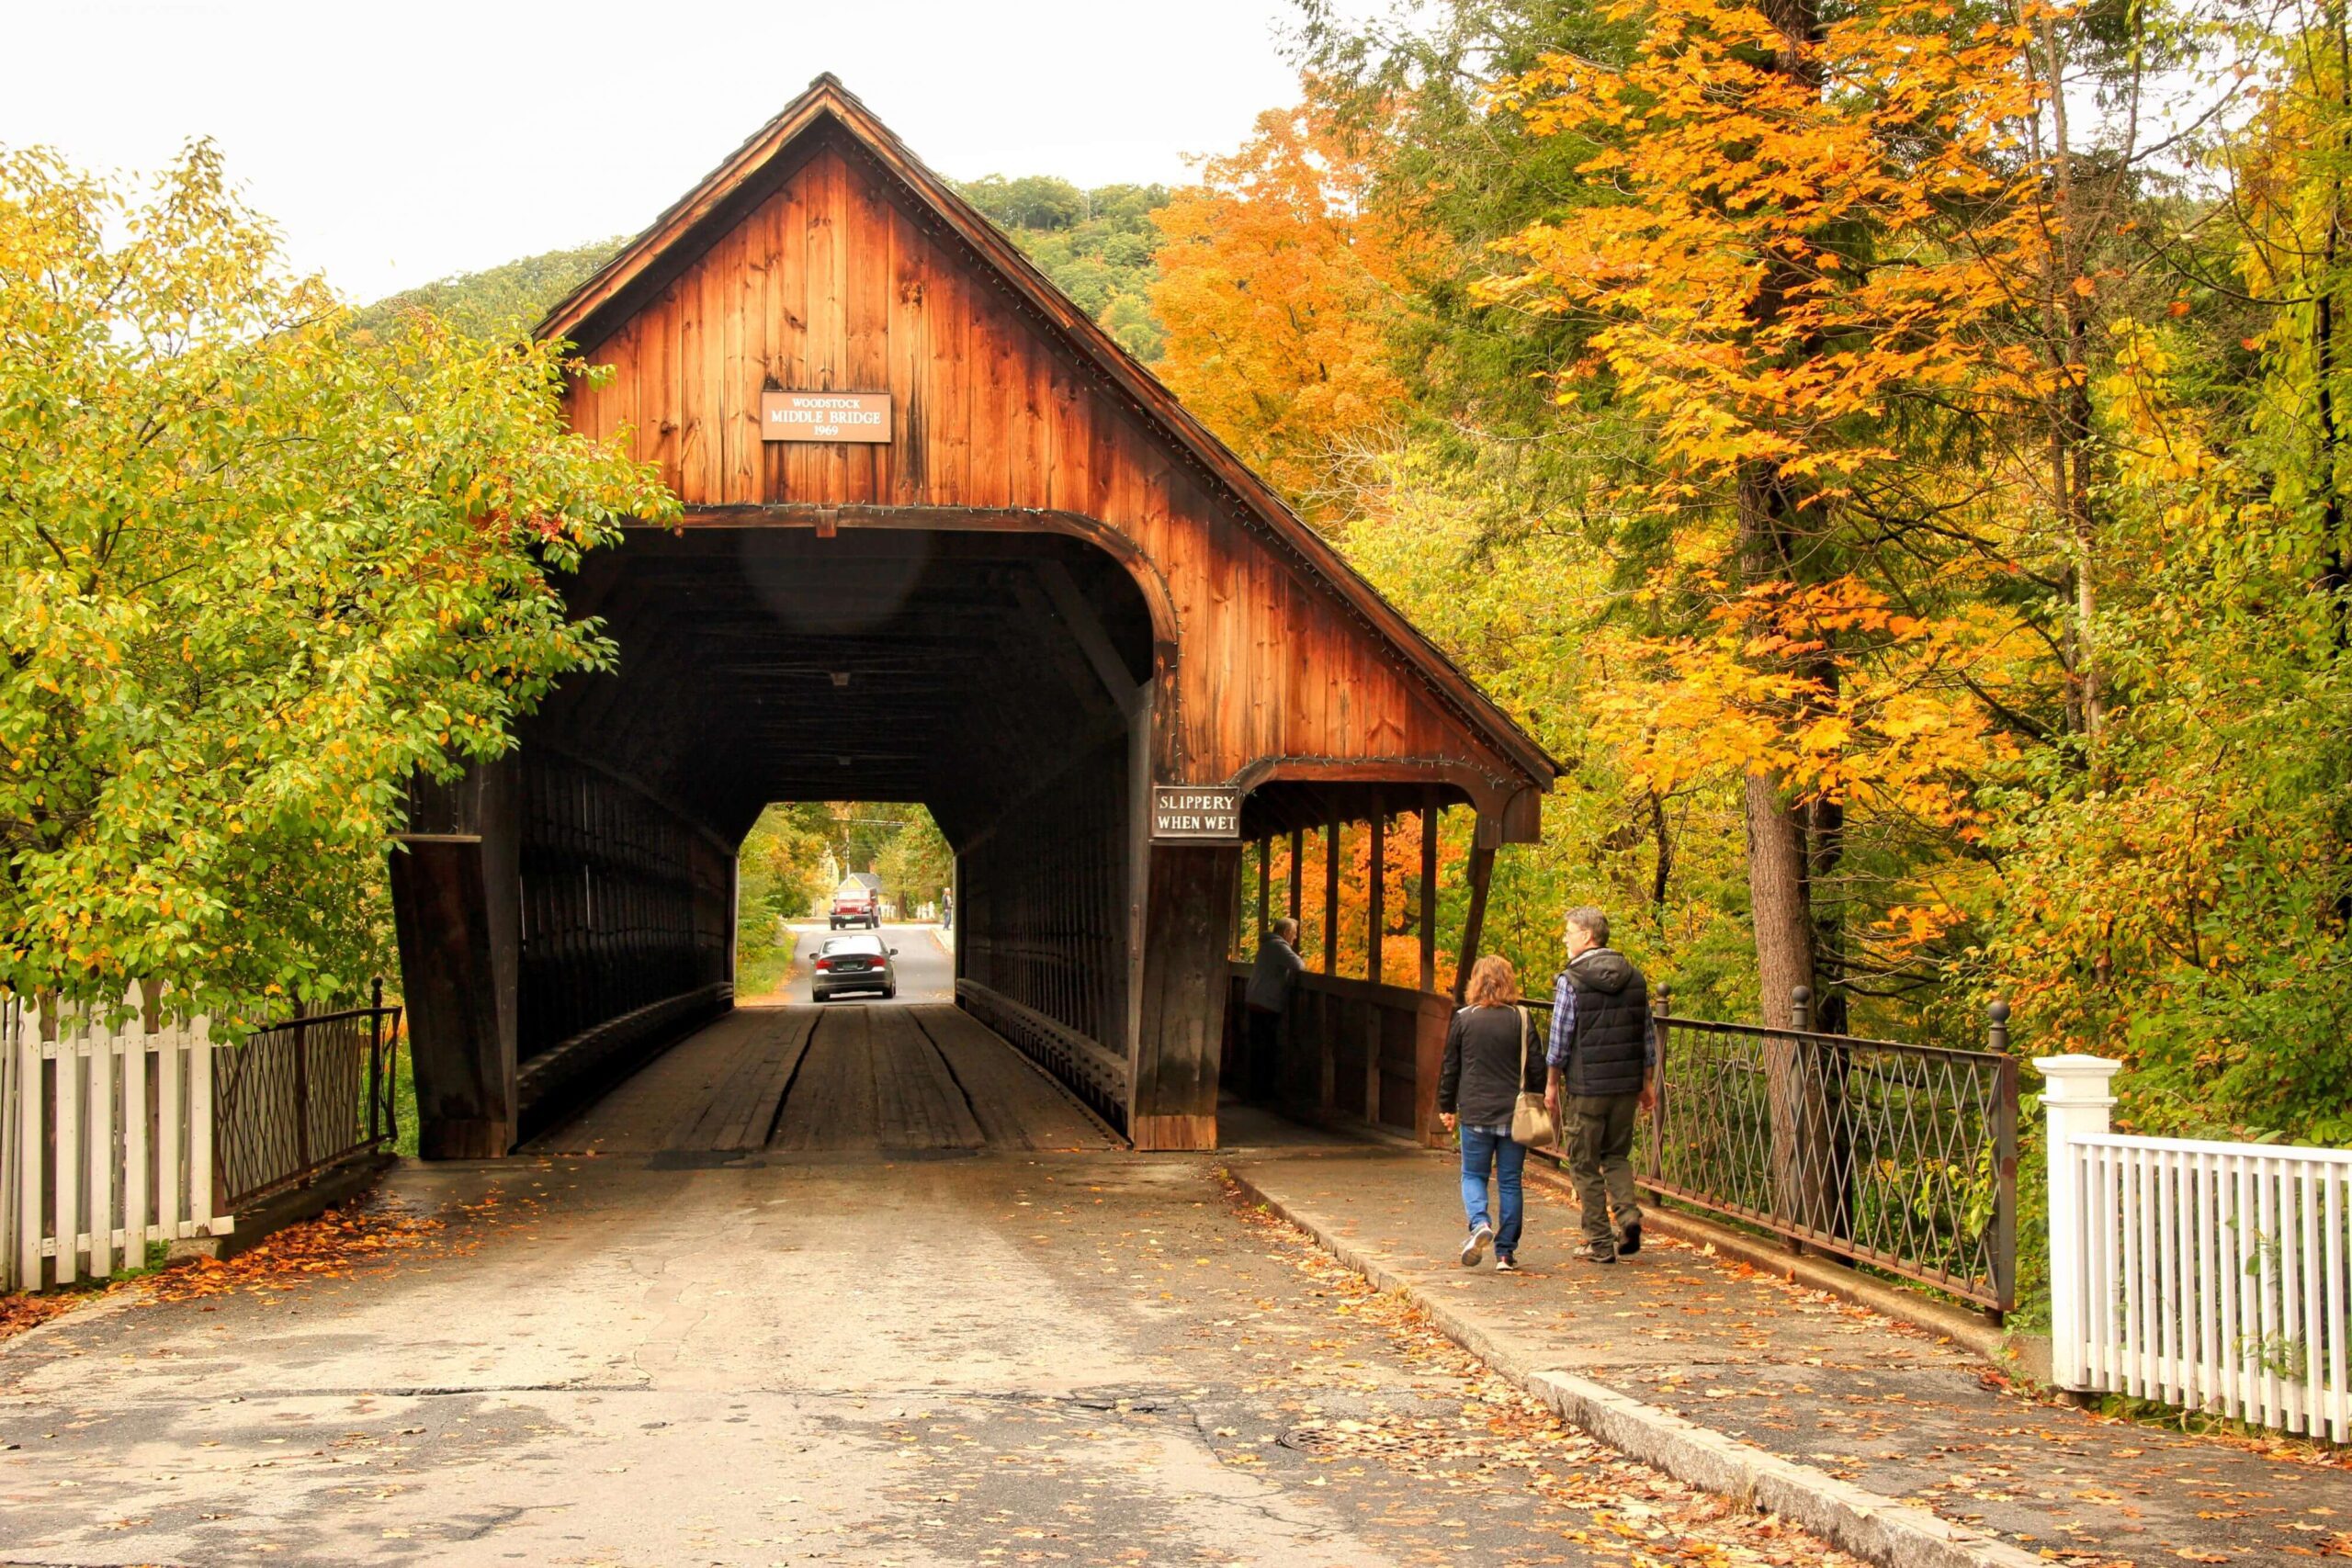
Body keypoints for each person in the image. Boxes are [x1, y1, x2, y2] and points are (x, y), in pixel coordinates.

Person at [1544, 907, 1656, 1264]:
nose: (1565, 938)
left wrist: (1550, 1086)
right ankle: (1628, 1216)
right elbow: (1647, 1035)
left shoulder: (1571, 980)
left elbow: (1559, 1040)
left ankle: (1598, 1241)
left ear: (1587, 936)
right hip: (1625, 1085)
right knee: (1617, 1155)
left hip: (1587, 1086)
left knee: (1585, 1163)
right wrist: (1648, 1082)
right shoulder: (1635, 978)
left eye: (1569, 932)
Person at [1437, 954, 1544, 1273]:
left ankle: (1480, 1223)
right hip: (1515, 1113)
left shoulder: (1464, 1017)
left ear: (1475, 983)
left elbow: (1450, 1067)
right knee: (1510, 1181)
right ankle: (1505, 1254)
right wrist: (1538, 1098)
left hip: (1475, 1111)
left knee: (1473, 1175)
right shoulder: (1522, 1017)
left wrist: (1446, 1107)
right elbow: (1536, 1065)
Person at [1243, 917, 1306, 1099]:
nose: (1294, 939)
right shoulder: (1278, 946)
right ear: (1286, 933)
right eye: (1293, 934)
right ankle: (1264, 1091)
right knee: (1267, 1048)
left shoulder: (1266, 946)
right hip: (1267, 1003)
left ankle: (1255, 1089)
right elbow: (1299, 965)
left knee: (1257, 1047)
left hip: (1255, 999)